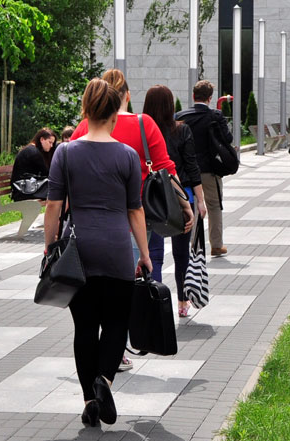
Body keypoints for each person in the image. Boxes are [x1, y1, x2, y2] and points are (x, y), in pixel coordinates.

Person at [43, 78, 152, 428]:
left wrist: (50, 247)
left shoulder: (65, 152)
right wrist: (145, 254)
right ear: (115, 114)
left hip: (80, 253)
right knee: (117, 321)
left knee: (85, 326)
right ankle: (104, 380)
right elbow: (135, 210)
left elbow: (53, 206)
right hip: (118, 249)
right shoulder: (127, 155)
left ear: (86, 110)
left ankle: (90, 401)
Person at [70, 69, 191, 371]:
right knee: (134, 277)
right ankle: (121, 345)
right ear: (126, 95)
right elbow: (166, 167)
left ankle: (111, 348)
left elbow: (69, 166)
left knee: (98, 290)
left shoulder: (84, 127)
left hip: (93, 223)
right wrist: (185, 203)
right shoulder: (143, 123)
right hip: (140, 216)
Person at [142, 84, 206, 317]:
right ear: (171, 106)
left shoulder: (143, 132)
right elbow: (191, 166)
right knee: (181, 253)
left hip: (151, 200)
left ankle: (153, 302)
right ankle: (182, 302)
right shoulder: (181, 130)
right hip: (181, 198)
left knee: (154, 253)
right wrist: (200, 201)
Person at [178, 80, 234, 257]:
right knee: (214, 205)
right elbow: (228, 138)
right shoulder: (215, 116)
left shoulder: (180, 116)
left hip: (186, 171)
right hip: (210, 169)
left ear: (194, 96)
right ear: (210, 98)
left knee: (191, 207)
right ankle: (216, 245)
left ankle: (194, 245)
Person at [10, 127, 57, 201]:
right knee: (59, 191)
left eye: (53, 143)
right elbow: (47, 173)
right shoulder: (33, 152)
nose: (51, 146)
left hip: (24, 188)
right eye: (50, 142)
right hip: (23, 191)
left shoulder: (32, 149)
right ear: (42, 139)